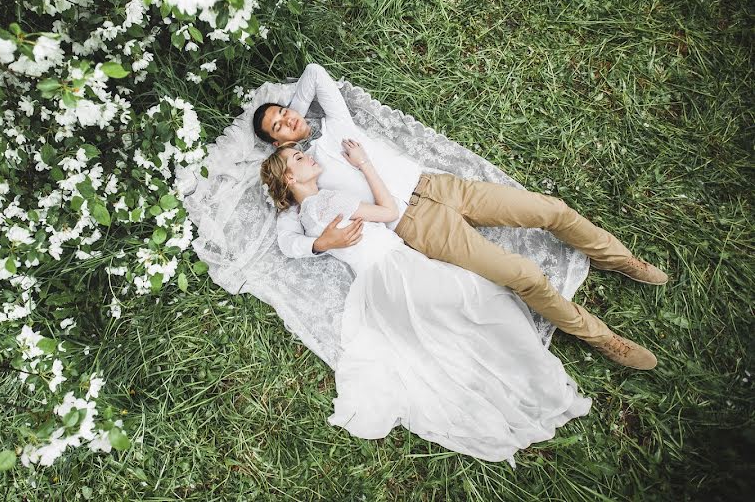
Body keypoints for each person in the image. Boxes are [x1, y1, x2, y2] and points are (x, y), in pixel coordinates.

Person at [253, 63, 668, 370]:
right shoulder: (306, 183)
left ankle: (619, 259)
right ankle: (602, 337)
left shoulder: (337, 127)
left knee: (551, 209)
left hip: (439, 185)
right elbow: (289, 238)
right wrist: (320, 243)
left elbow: (314, 73)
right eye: (279, 128)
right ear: (277, 147)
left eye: (284, 114)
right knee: (523, 275)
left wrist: (291, 114)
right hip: (416, 226)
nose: (287, 121)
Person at [259, 139, 592, 465]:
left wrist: (318, 242)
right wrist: (364, 163)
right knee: (480, 304)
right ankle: (524, 384)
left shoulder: (303, 217)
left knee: (446, 336)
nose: (309, 157)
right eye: (300, 158)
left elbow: (289, 244)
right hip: (395, 268)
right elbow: (388, 211)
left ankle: (486, 391)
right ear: (290, 178)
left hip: (376, 283)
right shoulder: (327, 201)